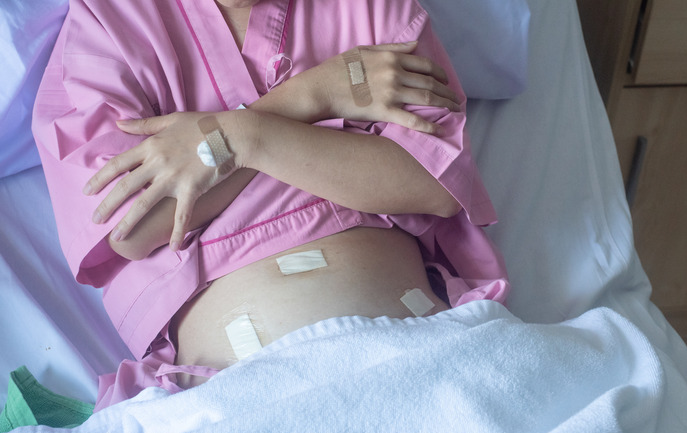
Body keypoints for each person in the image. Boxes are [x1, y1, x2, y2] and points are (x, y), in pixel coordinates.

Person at [33, 0, 509, 410]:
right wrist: (310, 96)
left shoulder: (368, 8)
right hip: (237, 398)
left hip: (422, 359)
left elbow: (436, 184)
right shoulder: (109, 23)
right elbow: (131, 226)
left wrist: (242, 140)